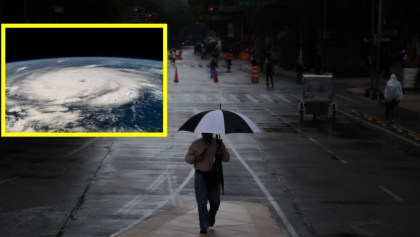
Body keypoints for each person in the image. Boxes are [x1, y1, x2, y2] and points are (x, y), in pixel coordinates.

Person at [185, 133, 230, 234]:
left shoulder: (218, 143)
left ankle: (211, 217)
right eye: (204, 133)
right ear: (202, 133)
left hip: (214, 175)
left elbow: (227, 158)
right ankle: (203, 226)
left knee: (215, 201)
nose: (207, 134)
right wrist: (195, 158)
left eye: (209, 133)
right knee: (201, 201)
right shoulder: (196, 144)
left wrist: (220, 153)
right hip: (200, 175)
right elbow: (187, 158)